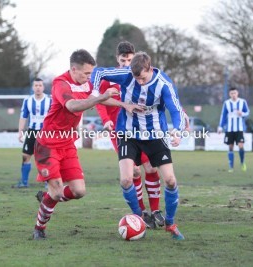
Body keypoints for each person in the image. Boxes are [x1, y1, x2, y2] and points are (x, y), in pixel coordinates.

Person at [32, 49, 138, 240]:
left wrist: (124, 105)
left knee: (78, 191)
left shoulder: (87, 84)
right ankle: (39, 227)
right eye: (87, 73)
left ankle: (48, 197)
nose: (90, 77)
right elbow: (72, 106)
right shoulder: (60, 84)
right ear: (74, 69)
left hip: (68, 144)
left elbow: (103, 99)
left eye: (91, 73)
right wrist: (101, 97)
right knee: (56, 189)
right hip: (48, 144)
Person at [91, 51, 187, 240]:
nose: (140, 82)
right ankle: (140, 216)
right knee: (127, 179)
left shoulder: (163, 84)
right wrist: (96, 93)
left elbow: (176, 109)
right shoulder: (127, 75)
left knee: (170, 180)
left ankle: (170, 223)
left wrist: (177, 130)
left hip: (155, 135)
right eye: (136, 78)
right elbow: (99, 72)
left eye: (142, 78)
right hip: (128, 133)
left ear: (149, 69)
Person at [95, 41, 164, 229]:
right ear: (117, 59)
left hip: (141, 128)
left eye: (130, 59)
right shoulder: (111, 78)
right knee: (133, 171)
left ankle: (156, 210)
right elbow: (99, 101)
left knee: (150, 167)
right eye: (123, 59)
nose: (126, 63)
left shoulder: (139, 76)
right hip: (120, 131)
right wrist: (106, 120)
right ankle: (141, 212)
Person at [16, 78, 51, 188]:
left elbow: (55, 117)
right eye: (36, 85)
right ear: (33, 87)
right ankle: (24, 182)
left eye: (40, 85)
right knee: (25, 156)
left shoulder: (50, 100)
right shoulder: (27, 100)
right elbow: (23, 116)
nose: (38, 87)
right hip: (31, 131)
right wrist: (20, 131)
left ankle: (48, 182)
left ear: (43, 87)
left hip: (45, 132)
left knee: (45, 157)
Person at [217, 87, 250, 172]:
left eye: (234, 93)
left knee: (241, 146)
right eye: (231, 93)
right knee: (230, 147)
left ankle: (242, 163)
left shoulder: (242, 102)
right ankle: (231, 167)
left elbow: (247, 113)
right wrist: (220, 127)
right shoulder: (226, 103)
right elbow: (223, 115)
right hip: (229, 129)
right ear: (229, 94)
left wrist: (242, 113)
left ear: (237, 93)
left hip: (239, 129)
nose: (233, 95)